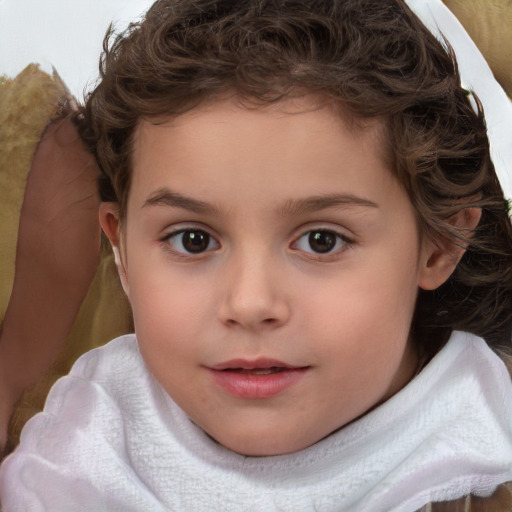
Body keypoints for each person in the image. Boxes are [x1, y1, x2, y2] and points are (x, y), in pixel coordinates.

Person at [1, 0, 512, 510]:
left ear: (438, 244)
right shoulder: (88, 441)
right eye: (193, 240)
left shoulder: (487, 450)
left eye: (321, 241)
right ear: (123, 252)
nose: (249, 303)